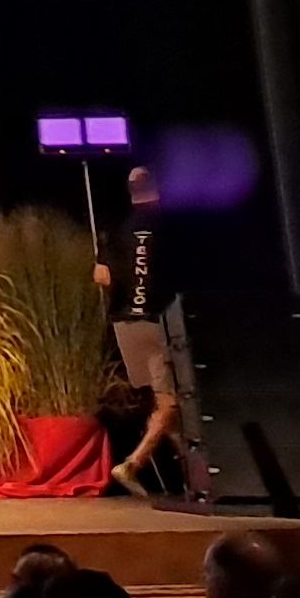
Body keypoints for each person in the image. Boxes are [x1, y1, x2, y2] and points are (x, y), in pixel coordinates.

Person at [94, 166, 180, 491]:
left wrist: (127, 279)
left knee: (164, 403)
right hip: (158, 321)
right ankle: (132, 464)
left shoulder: (118, 229)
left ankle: (190, 475)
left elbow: (100, 276)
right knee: (170, 401)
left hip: (125, 323)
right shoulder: (168, 226)